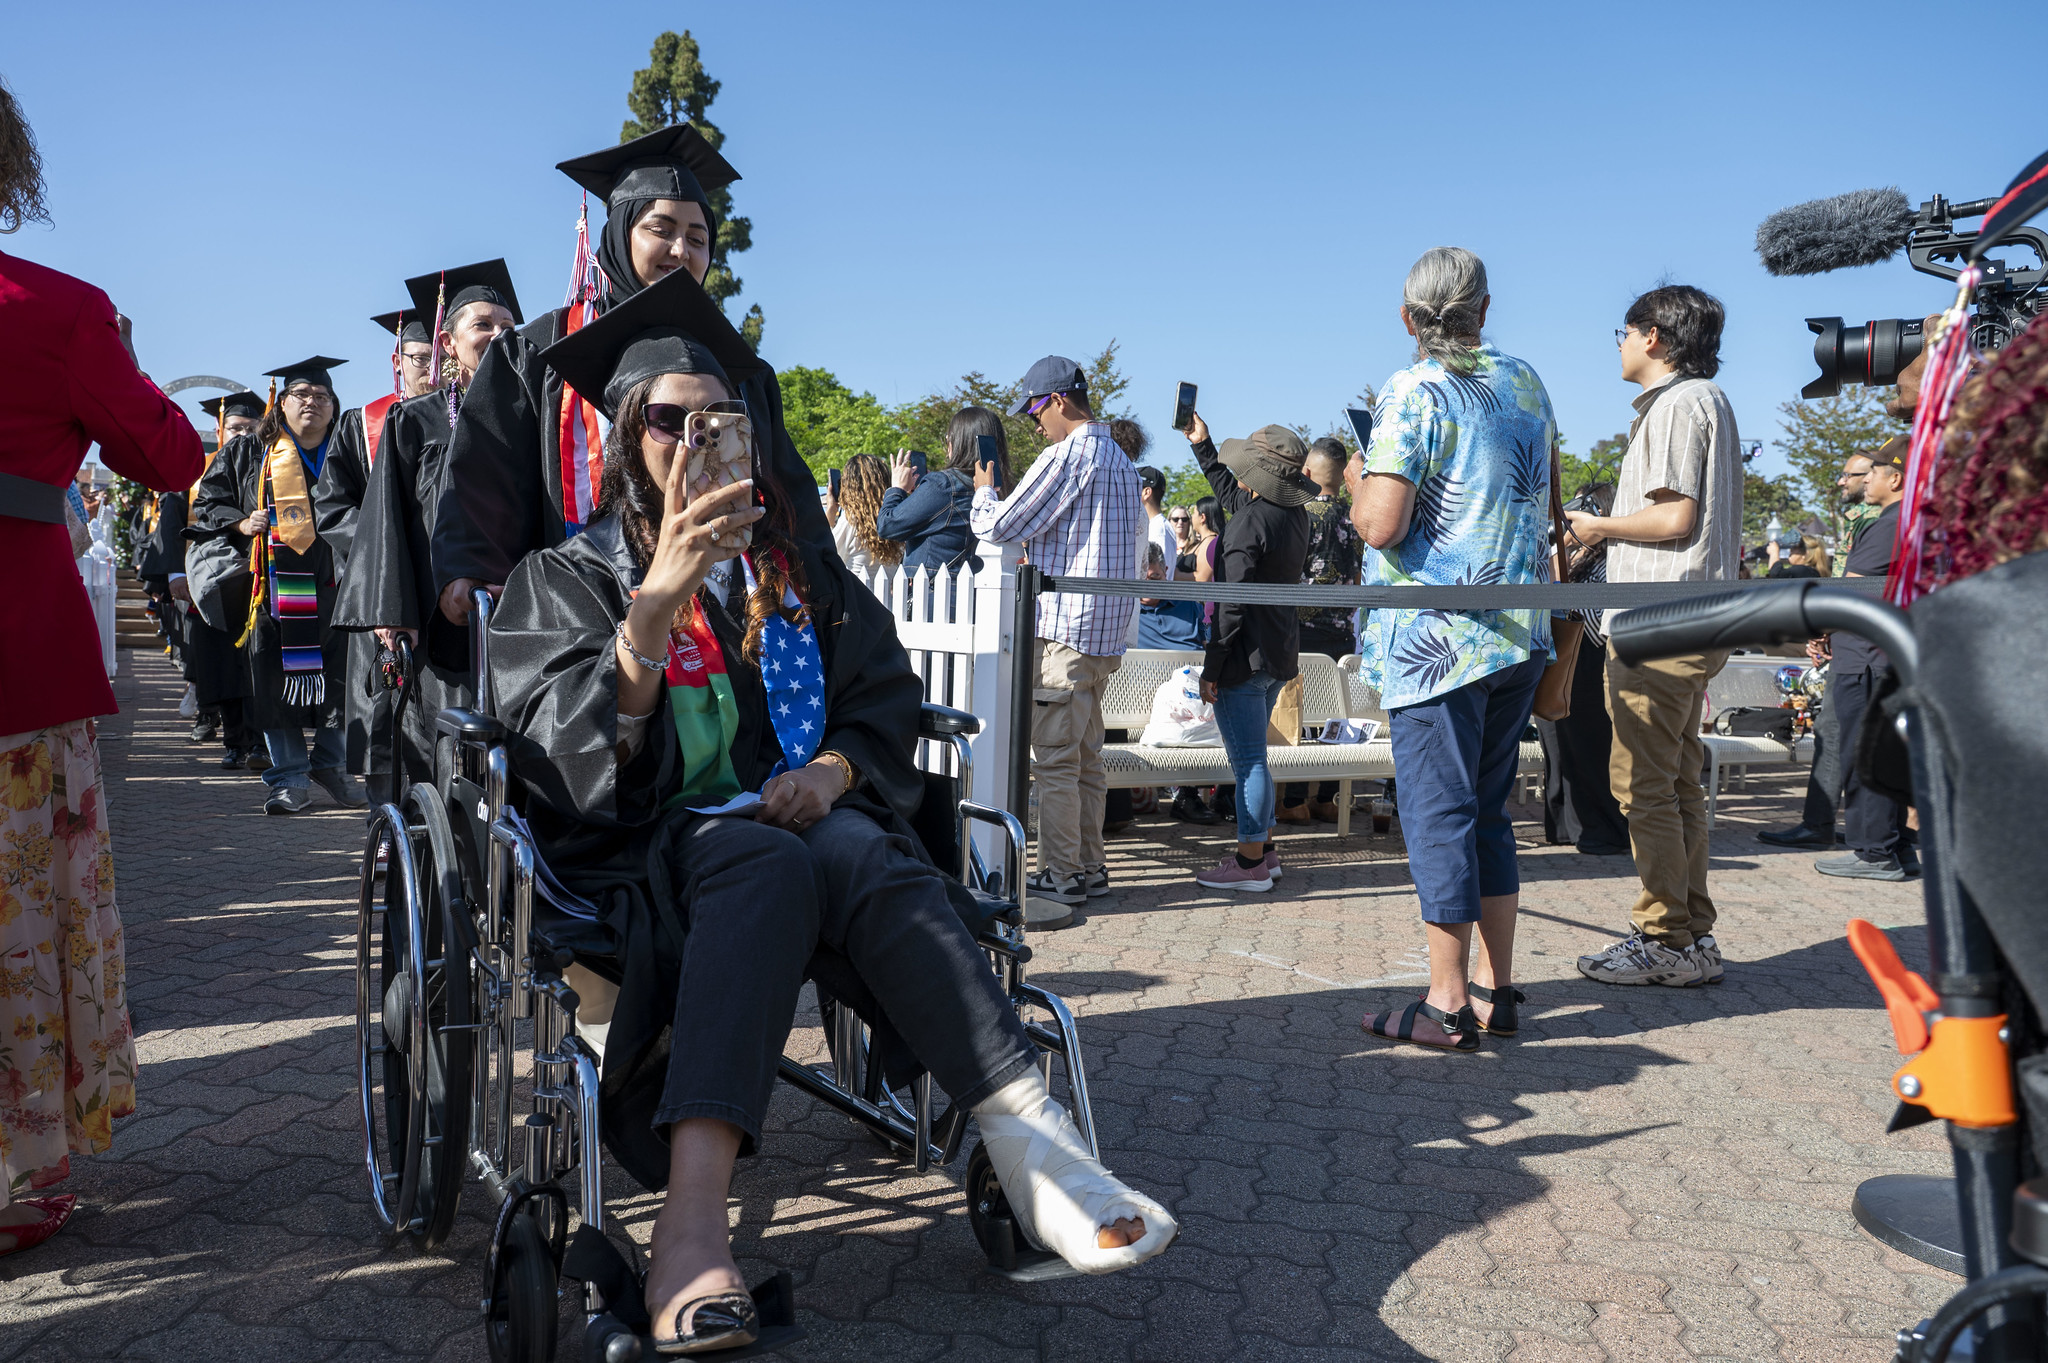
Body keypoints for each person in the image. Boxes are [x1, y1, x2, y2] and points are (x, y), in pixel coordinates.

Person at [492, 271, 1175, 1345]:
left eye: (716, 417)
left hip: (804, 826)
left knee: (853, 846)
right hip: (646, 848)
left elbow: (883, 700)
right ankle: (691, 1229)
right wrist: (657, 598)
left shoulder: (796, 575)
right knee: (766, 862)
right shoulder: (567, 575)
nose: (692, 436)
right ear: (628, 438)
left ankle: (1032, 1143)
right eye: (665, 419)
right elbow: (567, 753)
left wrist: (833, 775)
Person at [0, 73, 204, 1256]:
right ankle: (20, 1171)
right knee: (21, 915)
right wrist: (118, 363)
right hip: (19, 649)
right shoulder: (63, 308)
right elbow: (170, 458)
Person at [433, 125, 828, 631]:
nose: (682, 251)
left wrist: (817, 580)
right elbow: (485, 474)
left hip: (723, 621)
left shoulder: (732, 367)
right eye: (661, 230)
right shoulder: (537, 350)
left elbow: (784, 495)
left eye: (698, 238)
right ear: (618, 235)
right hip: (572, 619)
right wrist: (468, 567)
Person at [1351, 247, 1555, 1052]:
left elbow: (1381, 524)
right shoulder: (1528, 381)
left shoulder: (1412, 389)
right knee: (1490, 813)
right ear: (1486, 306)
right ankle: (1498, 990)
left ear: (1408, 318)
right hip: (1519, 630)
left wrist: (1363, 471)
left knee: (1438, 814)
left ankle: (1444, 1001)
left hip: (1438, 638)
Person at [1567, 284, 1742, 989]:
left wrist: (1598, 526)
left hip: (1660, 617)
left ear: (1656, 339)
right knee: (1676, 780)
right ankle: (1690, 932)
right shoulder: (1707, 402)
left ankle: (1665, 935)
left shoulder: (1677, 404)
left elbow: (1673, 520)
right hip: (1691, 613)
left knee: (1644, 783)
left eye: (1626, 330)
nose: (1618, 342)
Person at [329, 262, 522, 793]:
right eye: (483, 325)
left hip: (517, 617)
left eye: (508, 327)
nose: (499, 336)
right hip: (438, 623)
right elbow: (386, 521)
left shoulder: (536, 419)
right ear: (449, 342)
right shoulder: (413, 422)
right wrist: (393, 611)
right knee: (440, 752)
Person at [968, 356, 1142, 909]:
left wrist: (984, 491)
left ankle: (1062, 873)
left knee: (1055, 762)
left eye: (1035, 410)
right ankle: (1089, 867)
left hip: (1065, 631)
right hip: (1105, 634)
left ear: (1060, 401)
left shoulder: (1066, 455)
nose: (1033, 423)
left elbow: (999, 526)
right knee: (1087, 758)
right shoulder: (1120, 457)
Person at [192, 358, 367, 815]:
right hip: (273, 589)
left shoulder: (349, 448)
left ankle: (332, 764)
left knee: (343, 679)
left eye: (322, 396)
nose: (312, 402)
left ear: (334, 407)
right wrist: (239, 522)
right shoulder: (250, 451)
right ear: (281, 403)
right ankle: (288, 778)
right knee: (273, 680)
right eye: (302, 394)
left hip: (337, 582)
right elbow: (209, 503)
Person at [1178, 417, 1313, 890]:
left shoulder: (1246, 525)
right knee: (1257, 759)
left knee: (1250, 762)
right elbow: (1237, 500)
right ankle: (1266, 852)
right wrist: (1203, 447)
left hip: (1245, 659)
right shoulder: (1291, 516)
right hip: (1279, 654)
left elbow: (1230, 606)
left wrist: (1211, 668)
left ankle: (1250, 862)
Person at [1809, 437, 1913, 880]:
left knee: (1862, 752)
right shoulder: (1909, 520)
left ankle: (1873, 851)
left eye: (1874, 471)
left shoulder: (1891, 523)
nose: (1866, 478)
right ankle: (1894, 848)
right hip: (1877, 653)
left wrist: (1817, 628)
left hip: (1867, 658)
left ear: (1897, 477)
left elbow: (1849, 589)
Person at [164, 394, 263, 768]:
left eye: (249, 428)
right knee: (219, 663)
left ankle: (258, 742)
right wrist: (175, 572)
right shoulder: (200, 469)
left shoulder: (272, 461)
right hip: (214, 576)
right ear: (220, 430)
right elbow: (178, 521)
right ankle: (231, 737)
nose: (241, 434)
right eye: (234, 428)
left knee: (256, 661)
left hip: (258, 577)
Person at [1537, 481, 1630, 855]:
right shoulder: (1574, 554)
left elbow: (1593, 624)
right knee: (1558, 749)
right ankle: (1565, 824)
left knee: (1589, 750)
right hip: (1561, 660)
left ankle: (1603, 830)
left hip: (1590, 662)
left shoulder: (1613, 559)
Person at [1278, 437, 1362, 824]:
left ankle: (1294, 799)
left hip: (1301, 631)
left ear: (1306, 473)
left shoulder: (1300, 513)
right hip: (1344, 633)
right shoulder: (1357, 516)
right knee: (1335, 719)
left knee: (1298, 715)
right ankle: (1328, 798)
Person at [875, 407, 1004, 572]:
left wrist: (897, 488)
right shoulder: (997, 488)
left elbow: (888, 526)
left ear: (959, 442)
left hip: (934, 592)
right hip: (978, 590)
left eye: (949, 438)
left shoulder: (942, 485)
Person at [828, 452, 901, 577]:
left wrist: (830, 514)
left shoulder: (850, 521)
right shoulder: (894, 519)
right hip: (887, 595)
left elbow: (826, 555)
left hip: (857, 595)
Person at [1135, 542, 1203, 649]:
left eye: (1154, 578)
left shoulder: (1189, 604)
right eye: (1141, 579)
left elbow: (1210, 645)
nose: (1147, 585)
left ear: (1165, 572)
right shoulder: (1127, 612)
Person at [1132, 465, 1179, 580]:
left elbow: (1159, 576)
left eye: (1134, 487)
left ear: (1146, 492)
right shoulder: (1153, 525)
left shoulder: (1159, 530)